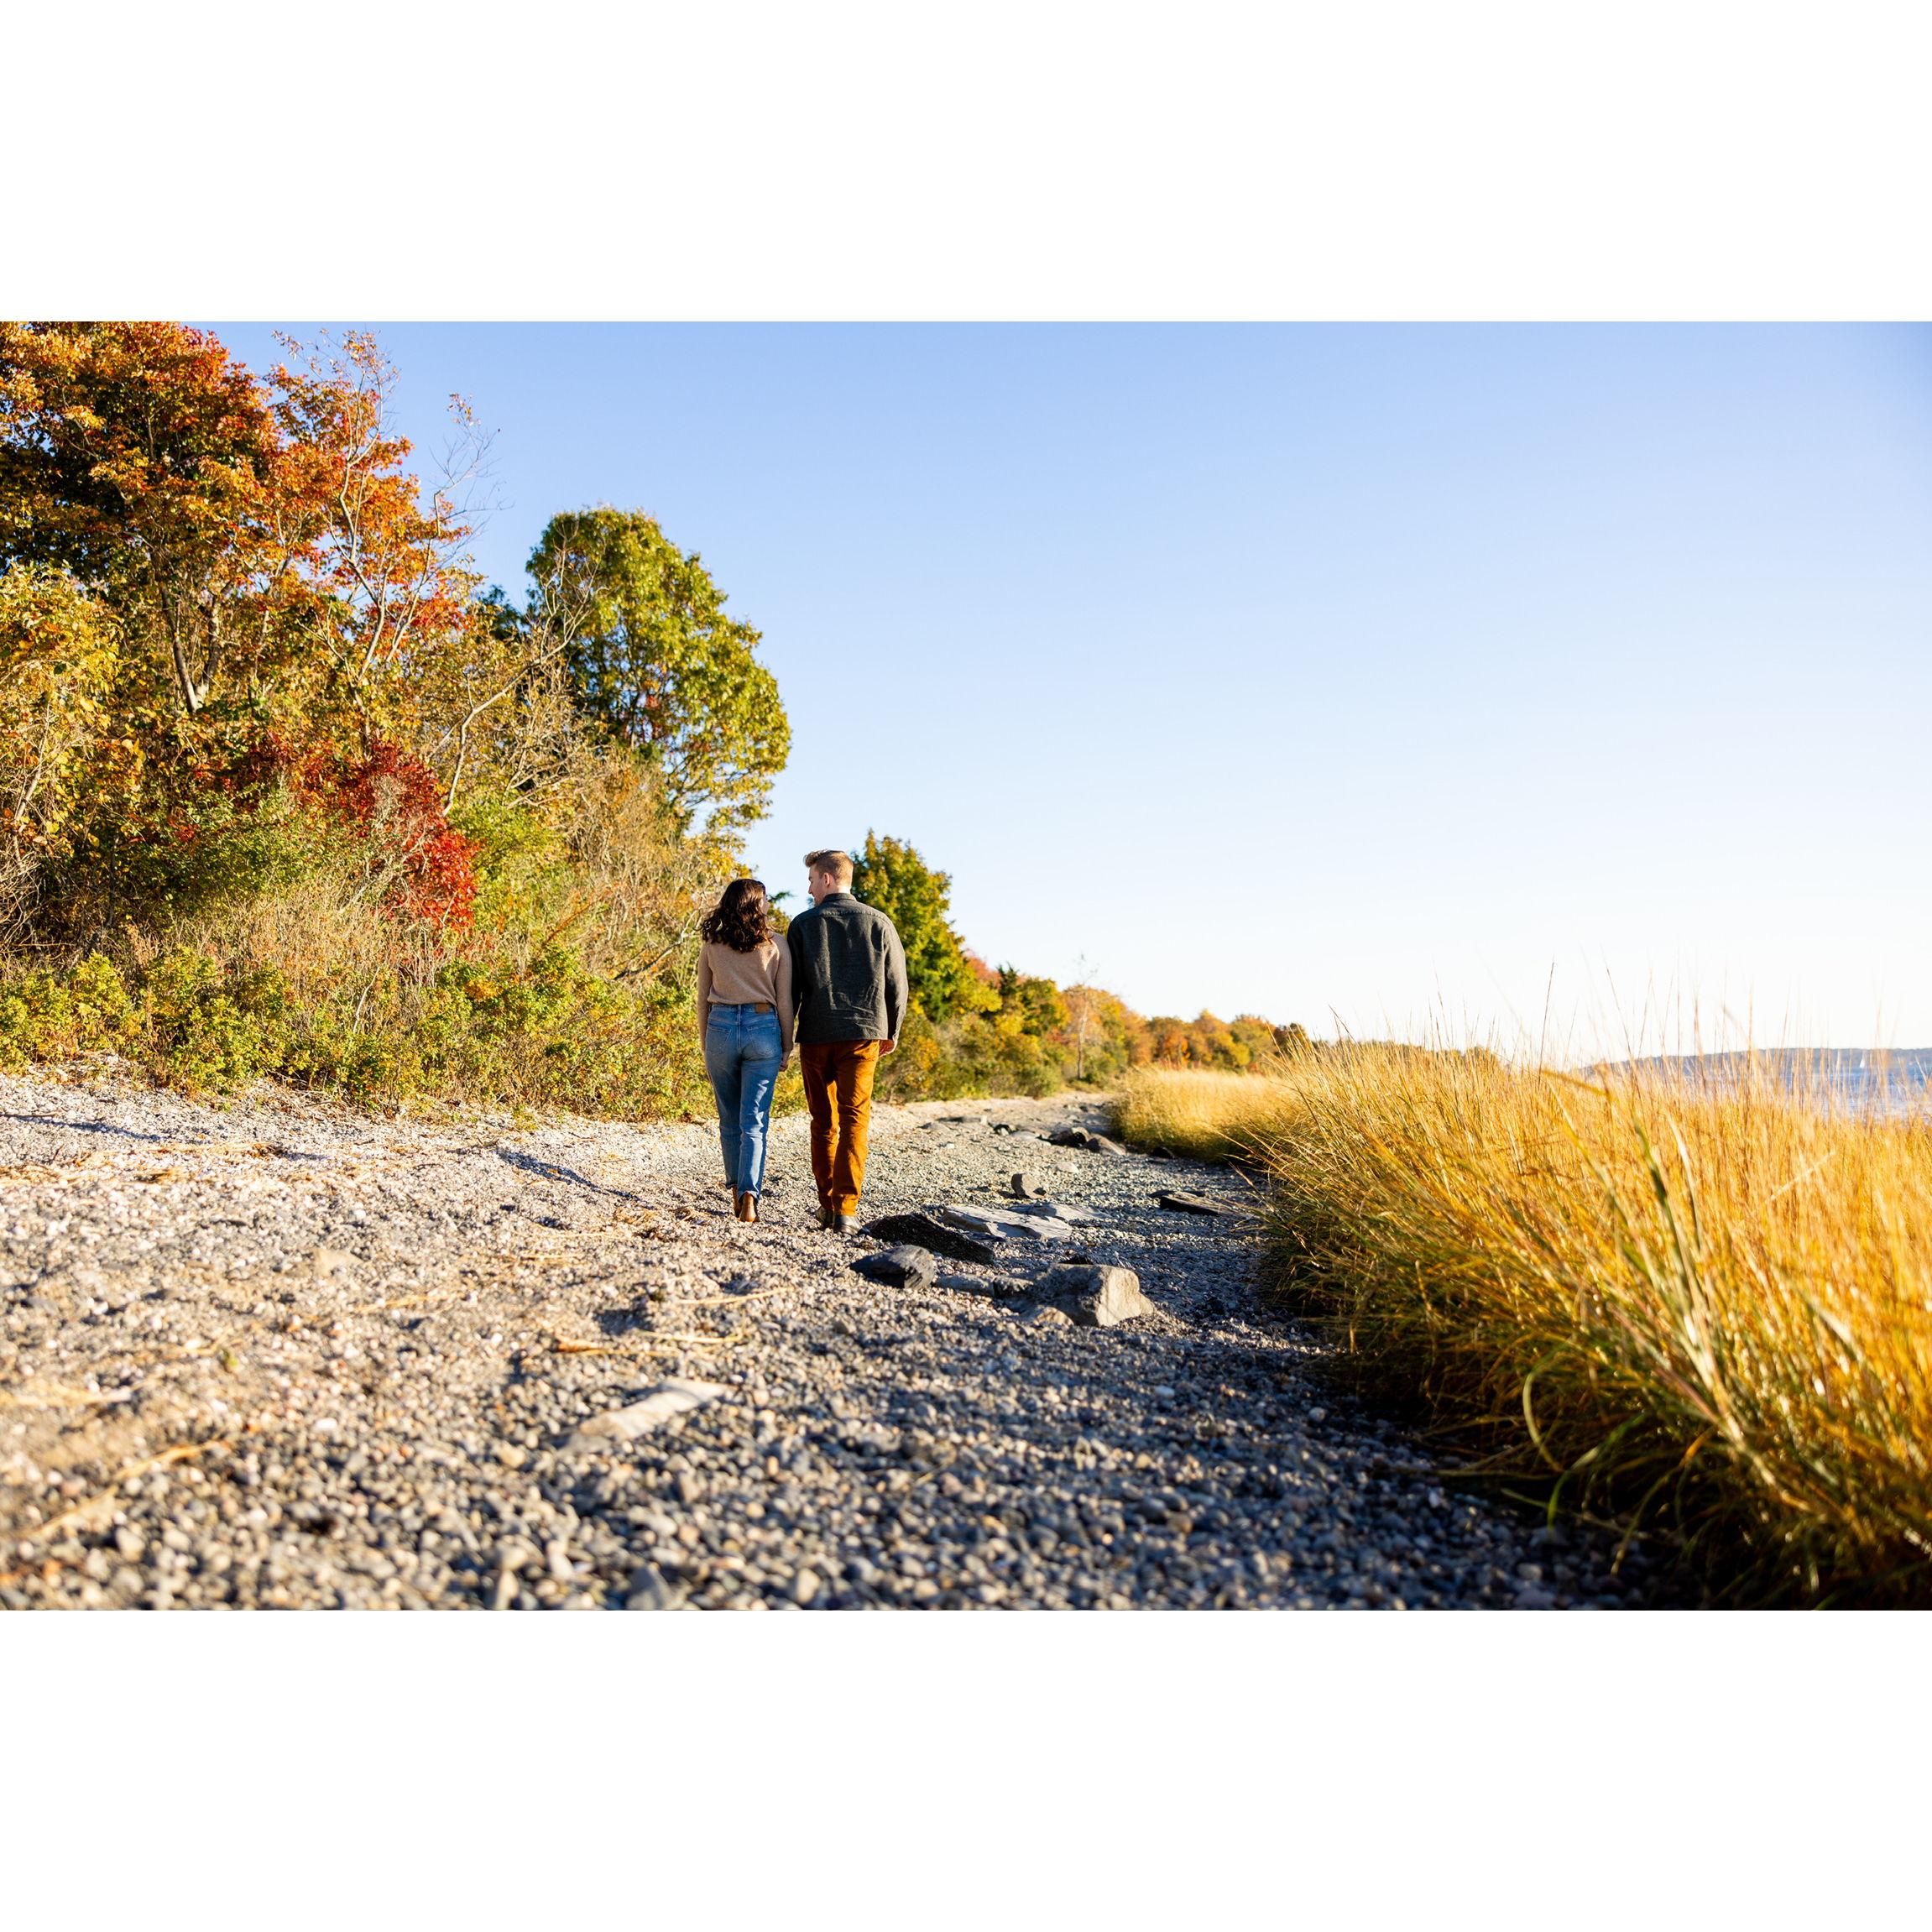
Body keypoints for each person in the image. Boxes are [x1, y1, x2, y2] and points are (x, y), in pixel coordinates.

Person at [786, 848, 908, 1234]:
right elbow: (896, 984)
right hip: (863, 1033)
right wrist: (893, 1030)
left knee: (823, 1123)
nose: (808, 889)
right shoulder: (880, 922)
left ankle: (826, 1205)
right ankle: (846, 1210)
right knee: (855, 1120)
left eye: (811, 881)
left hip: (818, 1034)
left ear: (827, 878)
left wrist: (786, 1037)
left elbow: (790, 989)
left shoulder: (803, 925)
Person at [697, 878, 792, 1224]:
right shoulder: (776, 944)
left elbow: (702, 1001)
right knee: (755, 1119)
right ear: (757, 904)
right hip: (763, 1027)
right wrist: (787, 1042)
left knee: (729, 1117)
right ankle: (749, 1194)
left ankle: (735, 1186)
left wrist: (705, 1040)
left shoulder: (711, 945)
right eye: (764, 899)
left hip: (720, 1028)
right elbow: (784, 1000)